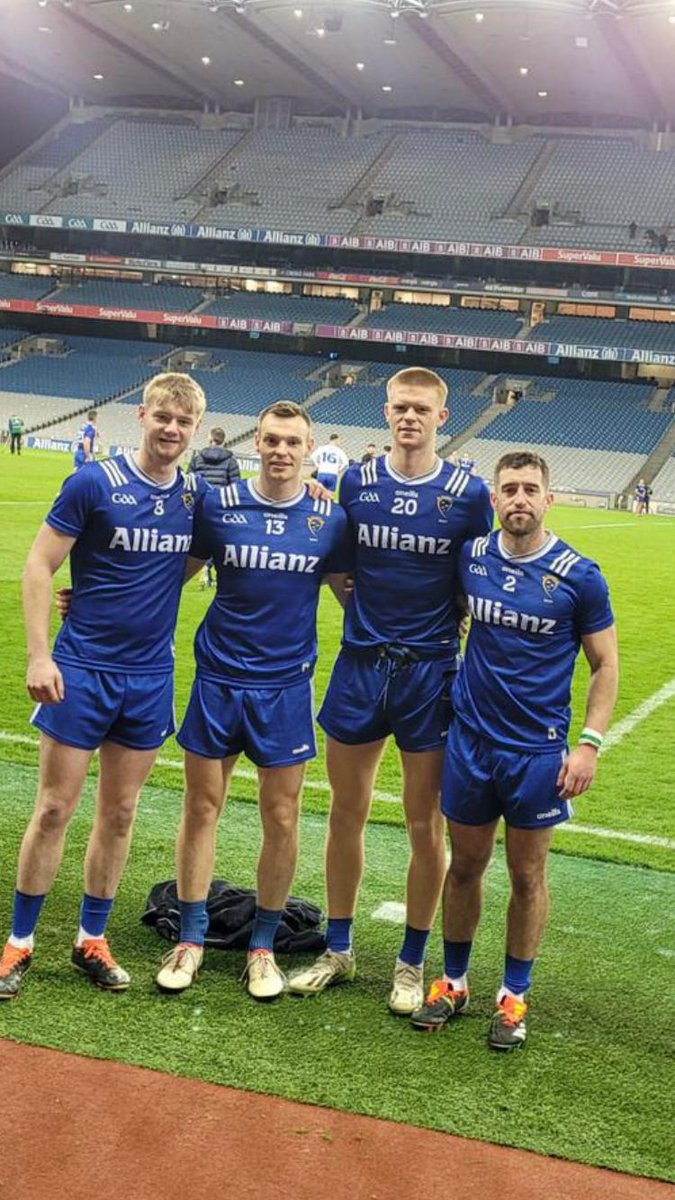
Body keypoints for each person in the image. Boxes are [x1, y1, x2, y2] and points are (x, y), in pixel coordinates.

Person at [288, 367, 493, 1014]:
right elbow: (338, 562)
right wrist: (357, 611)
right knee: (344, 811)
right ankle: (339, 950)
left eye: (421, 409)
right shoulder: (358, 481)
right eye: (400, 407)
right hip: (360, 667)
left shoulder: (468, 495)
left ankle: (410, 963)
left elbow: (480, 579)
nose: (409, 417)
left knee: (423, 822)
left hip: (430, 673)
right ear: (386, 412)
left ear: (441, 417)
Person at [0, 373, 208, 1001]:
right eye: (163, 416)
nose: (171, 429)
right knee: (54, 807)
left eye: (184, 421)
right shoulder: (93, 482)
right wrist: (41, 655)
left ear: (196, 429)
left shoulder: (195, 497)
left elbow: (187, 563)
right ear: (142, 415)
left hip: (148, 678)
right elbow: (39, 565)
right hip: (82, 670)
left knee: (120, 813)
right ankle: (19, 942)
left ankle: (91, 939)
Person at [410, 451, 618, 1050]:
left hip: (537, 753)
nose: (520, 499)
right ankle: (453, 982)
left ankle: (514, 995)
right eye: (510, 489)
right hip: (471, 743)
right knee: (465, 865)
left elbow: (605, 664)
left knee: (527, 875)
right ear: (495, 499)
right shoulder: (472, 555)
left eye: (530, 489)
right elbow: (447, 610)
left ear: (548, 500)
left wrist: (589, 744)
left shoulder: (580, 576)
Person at [155, 401, 352, 1002]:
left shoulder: (329, 518)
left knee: (283, 816)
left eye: (293, 442)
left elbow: (356, 599)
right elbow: (168, 577)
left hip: (286, 687)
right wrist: (90, 597)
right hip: (217, 680)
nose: (281, 451)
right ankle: (190, 938)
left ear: (309, 448)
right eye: (271, 440)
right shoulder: (219, 505)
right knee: (201, 806)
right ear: (257, 443)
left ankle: (262, 947)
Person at [189, 427, 241, 586]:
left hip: (200, 505)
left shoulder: (197, 459)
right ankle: (209, 568)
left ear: (210, 439)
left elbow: (190, 483)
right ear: (224, 440)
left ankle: (202, 567)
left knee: (200, 540)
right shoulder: (231, 461)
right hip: (221, 507)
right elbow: (236, 487)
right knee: (219, 541)